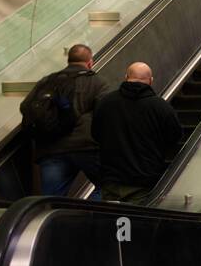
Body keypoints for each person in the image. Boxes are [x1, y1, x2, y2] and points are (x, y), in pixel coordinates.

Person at [21, 44, 111, 199]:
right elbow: (106, 114)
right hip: (86, 147)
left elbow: (25, 107)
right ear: (90, 62)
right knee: (109, 186)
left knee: (51, 200)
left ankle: (55, 222)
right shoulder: (97, 82)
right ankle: (90, 218)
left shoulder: (47, 81)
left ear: (69, 61)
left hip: (50, 148)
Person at [91, 62, 183, 203]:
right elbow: (175, 138)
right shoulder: (161, 107)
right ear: (151, 80)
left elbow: (96, 134)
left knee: (111, 222)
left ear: (126, 77)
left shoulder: (106, 103)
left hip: (111, 180)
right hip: (144, 182)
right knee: (136, 221)